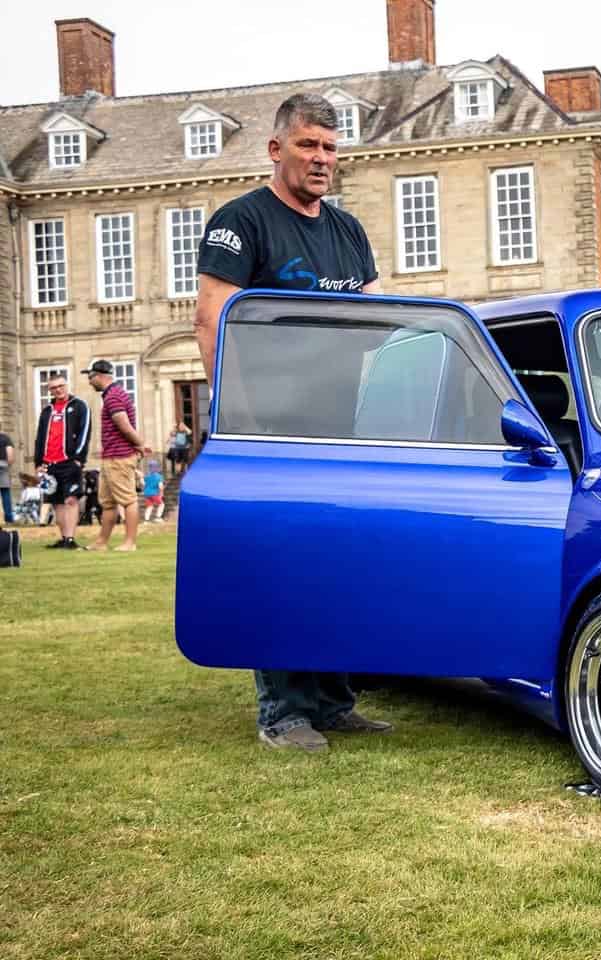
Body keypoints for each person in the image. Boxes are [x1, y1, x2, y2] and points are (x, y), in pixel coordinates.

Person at [194, 92, 388, 751]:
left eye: (330, 147)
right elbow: (213, 319)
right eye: (308, 144)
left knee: (335, 557)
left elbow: (378, 323)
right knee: (280, 561)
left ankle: (332, 702)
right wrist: (234, 419)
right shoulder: (242, 221)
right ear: (276, 149)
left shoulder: (348, 232)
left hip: (341, 428)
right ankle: (283, 712)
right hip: (269, 427)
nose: (321, 158)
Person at [82, 360, 150, 552]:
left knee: (128, 500)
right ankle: (101, 542)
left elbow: (124, 426)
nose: (89, 381)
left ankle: (130, 543)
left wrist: (141, 445)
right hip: (110, 457)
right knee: (108, 503)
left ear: (99, 376)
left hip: (119, 457)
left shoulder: (113, 396)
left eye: (90, 377)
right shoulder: (113, 394)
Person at [31, 373, 90, 550]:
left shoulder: (80, 406)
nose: (58, 390)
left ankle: (71, 539)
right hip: (49, 464)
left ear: (66, 385)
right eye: (54, 387)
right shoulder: (47, 410)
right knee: (56, 502)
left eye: (61, 386)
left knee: (71, 499)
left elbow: (85, 432)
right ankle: (64, 538)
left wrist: (79, 459)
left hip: (69, 461)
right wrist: (38, 462)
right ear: (49, 390)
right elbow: (40, 437)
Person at [0, 425, 14, 524]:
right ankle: (9, 519)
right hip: (3, 465)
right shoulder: (6, 438)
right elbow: (10, 455)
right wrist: (8, 464)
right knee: (5, 492)